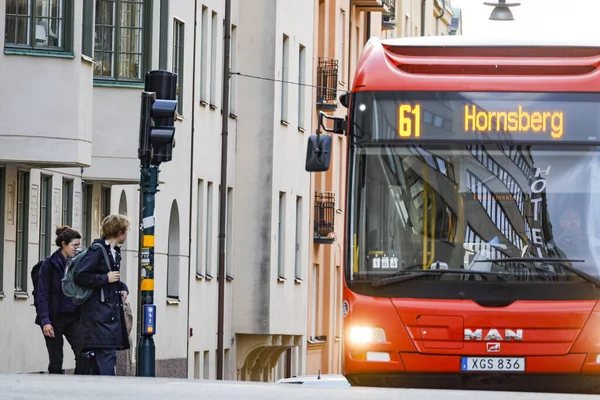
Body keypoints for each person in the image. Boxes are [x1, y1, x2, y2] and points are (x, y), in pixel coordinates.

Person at [74, 214, 131, 375]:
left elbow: (110, 279)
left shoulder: (113, 251)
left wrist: (123, 287)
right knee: (106, 356)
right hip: (99, 315)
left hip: (107, 314)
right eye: (126, 231)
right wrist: (105, 278)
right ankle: (108, 391)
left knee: (104, 357)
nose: (127, 234)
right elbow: (81, 275)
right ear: (119, 232)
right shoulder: (97, 250)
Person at [35, 226, 86, 374]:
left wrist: (122, 286)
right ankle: (54, 391)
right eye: (74, 245)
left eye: (78, 246)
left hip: (74, 317)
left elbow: (93, 278)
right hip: (53, 318)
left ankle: (79, 388)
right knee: (56, 359)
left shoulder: (79, 262)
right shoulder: (49, 265)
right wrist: (45, 321)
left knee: (83, 354)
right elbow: (42, 293)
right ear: (64, 244)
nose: (77, 249)